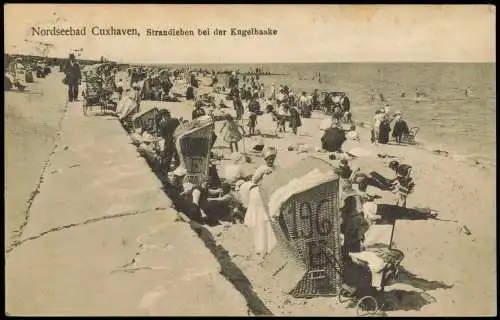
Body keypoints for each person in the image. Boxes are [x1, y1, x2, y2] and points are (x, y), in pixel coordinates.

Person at [158, 109, 181, 175]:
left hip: (168, 143)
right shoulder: (176, 120)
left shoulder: (162, 124)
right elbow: (180, 130)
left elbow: (162, 136)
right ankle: (178, 170)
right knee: (177, 157)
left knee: (167, 157)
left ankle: (165, 171)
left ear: (163, 116)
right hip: (177, 142)